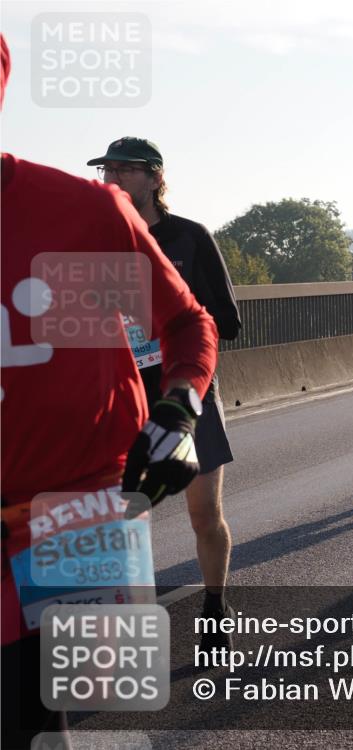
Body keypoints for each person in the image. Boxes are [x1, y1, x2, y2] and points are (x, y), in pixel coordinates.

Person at [0, 35, 218, 748]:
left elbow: (187, 321)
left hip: (74, 503)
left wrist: (178, 410)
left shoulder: (82, 213)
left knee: (58, 714)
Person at [87, 137, 242, 646]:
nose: (113, 179)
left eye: (126, 171)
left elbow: (228, 321)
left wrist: (171, 324)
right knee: (127, 518)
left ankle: (216, 608)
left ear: (155, 179)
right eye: (107, 170)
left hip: (185, 395)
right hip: (124, 395)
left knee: (203, 514)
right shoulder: (94, 241)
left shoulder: (189, 238)